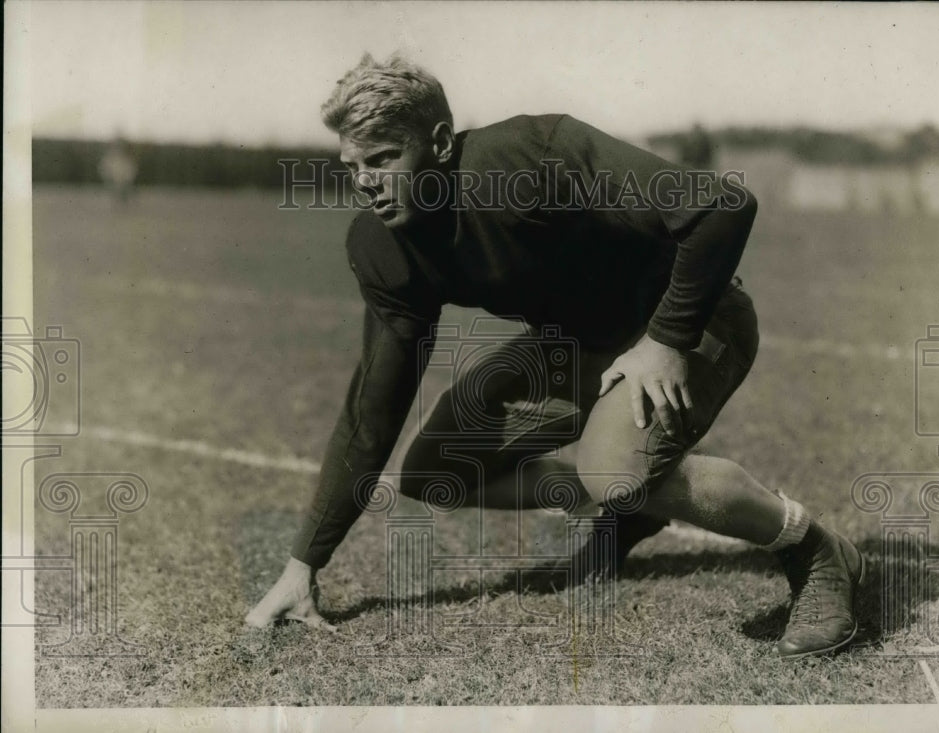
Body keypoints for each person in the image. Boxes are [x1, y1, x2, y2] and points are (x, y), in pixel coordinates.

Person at [246, 53, 865, 659]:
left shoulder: (532, 155)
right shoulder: (383, 249)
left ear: (438, 141)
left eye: (383, 159)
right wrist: (304, 565)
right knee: (436, 468)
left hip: (691, 321)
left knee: (612, 470)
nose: (367, 184)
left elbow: (720, 205)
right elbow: (371, 413)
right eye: (354, 166)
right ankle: (635, 499)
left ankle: (814, 550)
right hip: (579, 347)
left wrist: (664, 340)